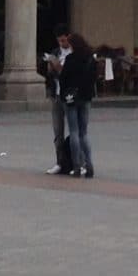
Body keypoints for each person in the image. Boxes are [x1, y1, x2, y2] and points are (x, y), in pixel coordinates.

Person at [57, 29, 99, 180]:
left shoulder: (70, 59)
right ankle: (89, 164)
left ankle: (76, 166)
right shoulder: (91, 59)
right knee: (84, 133)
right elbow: (94, 78)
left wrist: (63, 95)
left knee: (74, 132)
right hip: (86, 98)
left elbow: (63, 79)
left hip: (71, 98)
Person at [44, 33, 77, 174]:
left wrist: (58, 67)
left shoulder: (74, 53)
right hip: (57, 94)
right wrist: (51, 65)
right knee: (58, 131)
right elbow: (51, 74)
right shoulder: (56, 52)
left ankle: (76, 163)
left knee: (74, 131)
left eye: (64, 40)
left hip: (70, 96)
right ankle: (60, 162)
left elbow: (68, 73)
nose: (62, 43)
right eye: (59, 41)